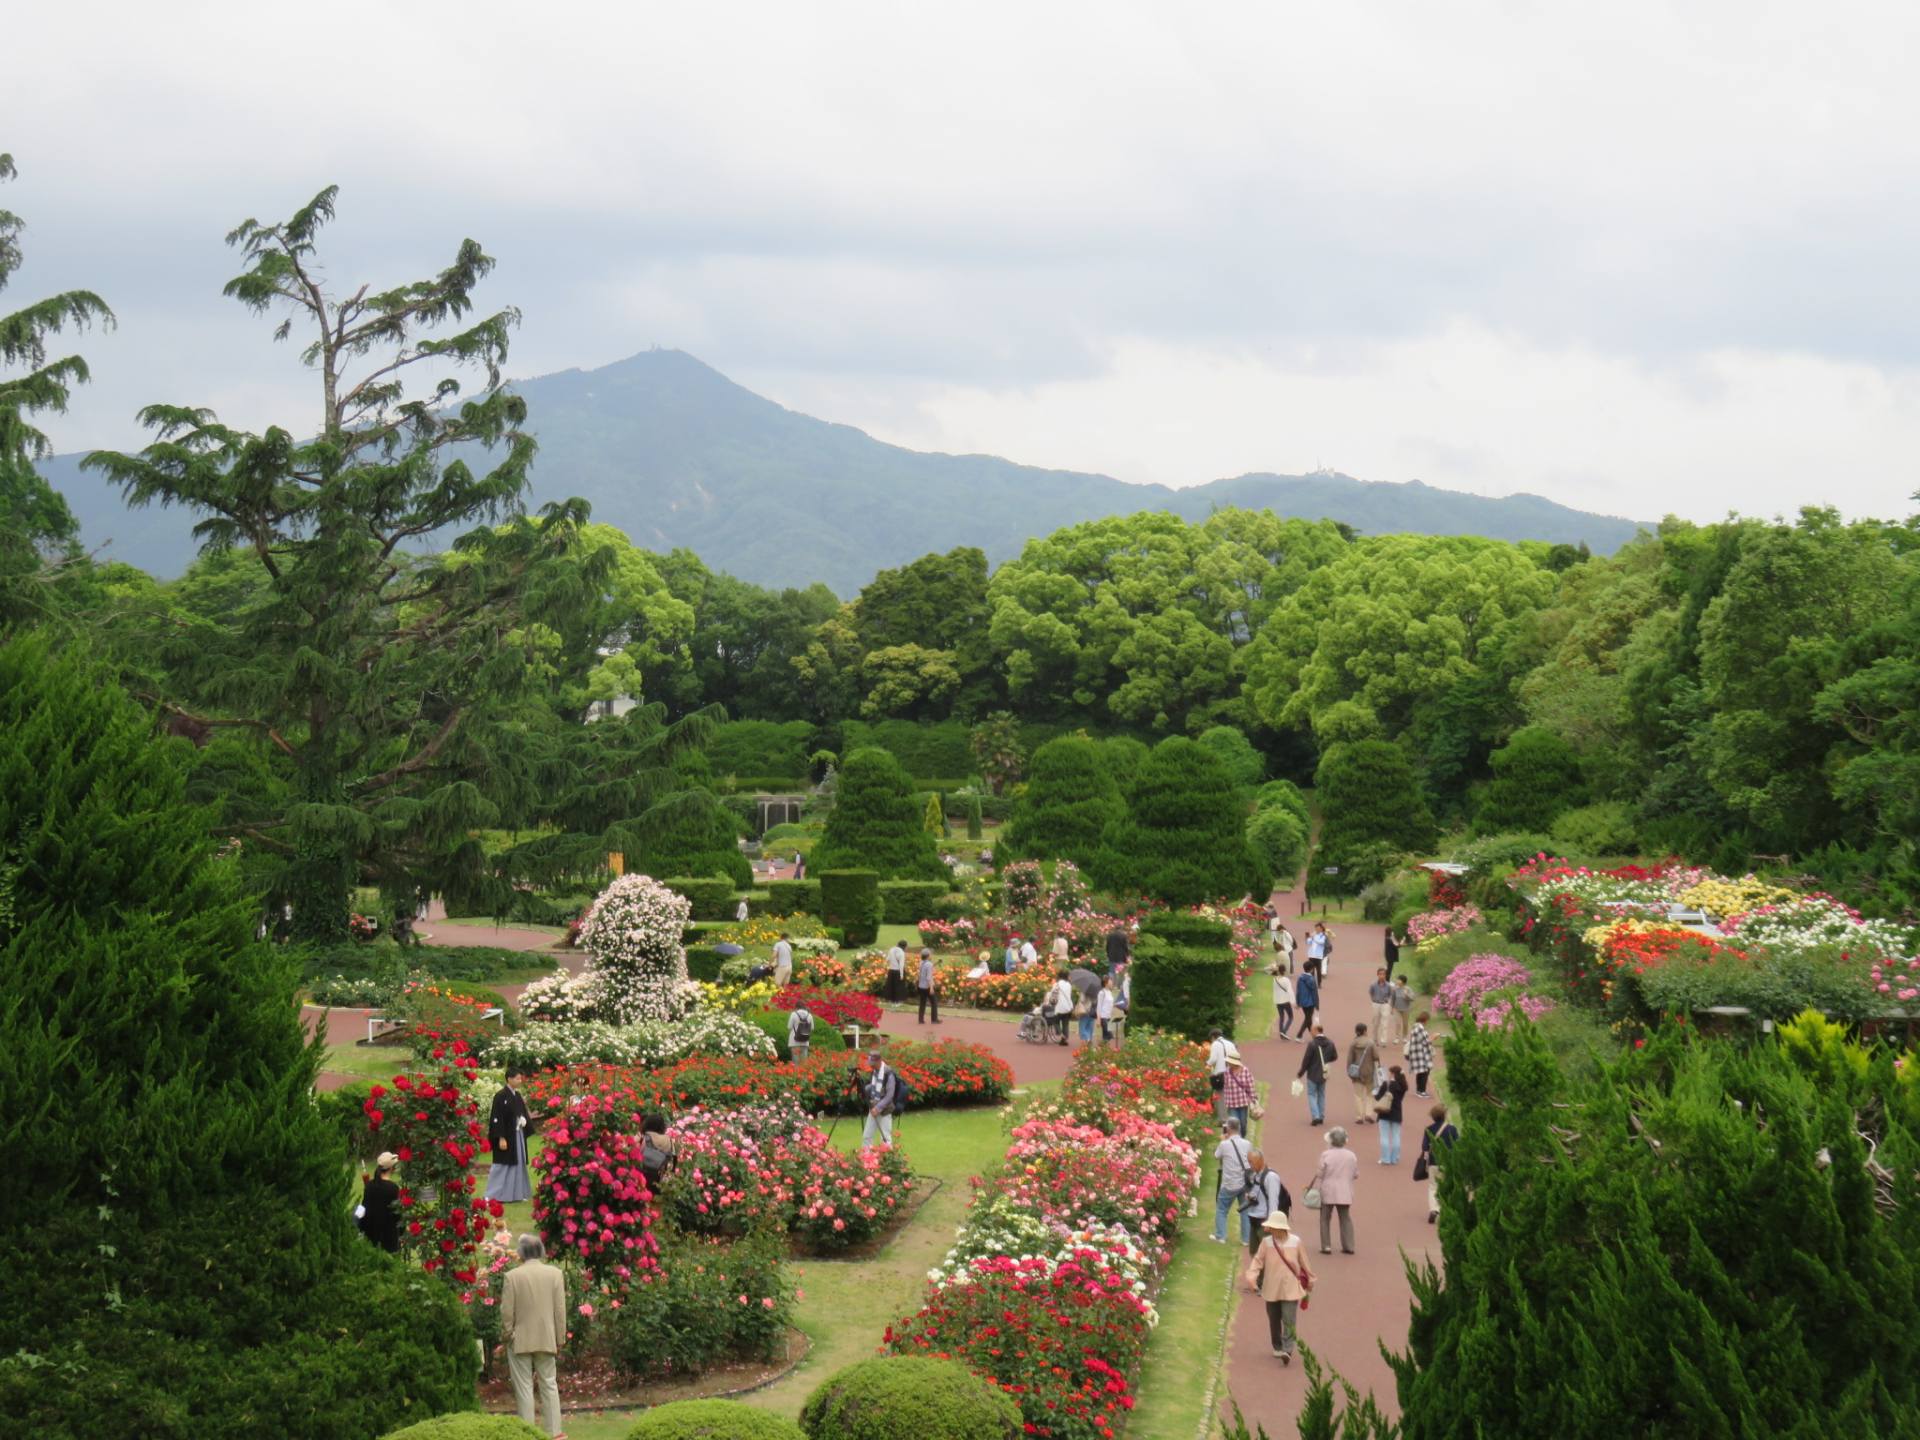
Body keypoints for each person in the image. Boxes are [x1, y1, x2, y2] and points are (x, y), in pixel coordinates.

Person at [500, 1232, 567, 1436]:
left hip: (519, 1339)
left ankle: (528, 1434)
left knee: (524, 1389)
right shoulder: (555, 1274)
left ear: (521, 1253)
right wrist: (560, 1338)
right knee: (549, 1385)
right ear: (541, 1251)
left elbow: (506, 1312)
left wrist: (507, 1336)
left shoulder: (512, 1277)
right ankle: (555, 1434)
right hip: (547, 1338)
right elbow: (560, 1310)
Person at [1244, 1211, 1314, 1364]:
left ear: (1282, 1228)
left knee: (1289, 1319)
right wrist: (1252, 1276)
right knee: (1273, 1318)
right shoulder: (1266, 1242)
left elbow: (1304, 1263)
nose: (1272, 1230)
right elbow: (1258, 1261)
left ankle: (1287, 1349)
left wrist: (1310, 1280)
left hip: (1291, 1288)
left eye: (1274, 1227)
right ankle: (1277, 1345)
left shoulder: (1296, 1242)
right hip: (1271, 1287)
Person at [486, 1068, 537, 1203]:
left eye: (520, 1079)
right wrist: (501, 1137)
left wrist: (523, 1120)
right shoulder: (500, 1096)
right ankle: (493, 1194)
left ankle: (516, 1194)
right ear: (509, 1079)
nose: (520, 1081)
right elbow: (497, 1117)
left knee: (518, 1163)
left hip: (517, 1135)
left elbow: (521, 1112)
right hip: (506, 1135)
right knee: (502, 1164)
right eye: (517, 1078)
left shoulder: (517, 1095)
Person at [1307, 1127, 1359, 1255]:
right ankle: (1349, 1245)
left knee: (1324, 1218)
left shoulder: (1326, 1154)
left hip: (1328, 1189)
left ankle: (1326, 1245)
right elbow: (1356, 1174)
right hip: (1345, 1190)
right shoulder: (1351, 1155)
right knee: (1345, 1217)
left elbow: (1319, 1173)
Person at [1238, 1147, 1291, 1258]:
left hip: (1264, 1222)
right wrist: (1250, 1197)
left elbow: (1273, 1201)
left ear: (1259, 1160)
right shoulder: (1256, 1175)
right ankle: (1258, 1275)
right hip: (1254, 1219)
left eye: (1251, 1162)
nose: (1250, 1165)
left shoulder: (1271, 1177)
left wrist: (1271, 1223)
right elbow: (1257, 1192)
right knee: (1255, 1254)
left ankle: (1266, 1275)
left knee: (1266, 1256)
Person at [1212, 1118, 1253, 1245]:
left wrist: (1222, 1140)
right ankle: (1246, 1239)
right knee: (1245, 1210)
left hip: (1230, 1183)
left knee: (1222, 1208)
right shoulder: (1247, 1143)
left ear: (1228, 1128)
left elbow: (1216, 1156)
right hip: (1245, 1183)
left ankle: (1221, 1235)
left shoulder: (1224, 1144)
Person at [1419, 1102, 1459, 1223]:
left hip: (1433, 1162)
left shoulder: (1428, 1129)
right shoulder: (1452, 1129)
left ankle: (1434, 1210)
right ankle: (1445, 1209)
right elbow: (1457, 1145)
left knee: (1433, 1187)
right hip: (1448, 1162)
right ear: (1445, 1115)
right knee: (1447, 1185)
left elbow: (1424, 1147)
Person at [357, 1151, 401, 1253]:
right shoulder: (393, 1188)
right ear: (391, 1168)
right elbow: (397, 1214)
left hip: (371, 1233)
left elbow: (363, 1208)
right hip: (389, 1236)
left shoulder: (370, 1186)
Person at [1296, 1023, 1337, 1126]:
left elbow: (1306, 1060)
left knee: (1311, 1094)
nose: (1310, 1032)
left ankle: (1316, 1116)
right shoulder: (1330, 1043)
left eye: (1311, 1030)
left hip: (1313, 1073)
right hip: (1324, 1073)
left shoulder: (1312, 1044)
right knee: (1321, 1094)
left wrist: (1301, 1072)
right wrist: (1326, 1060)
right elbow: (1335, 1056)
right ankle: (1321, 1116)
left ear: (1316, 1031)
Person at [862, 1057, 903, 1148]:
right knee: (866, 1136)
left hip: (885, 1110)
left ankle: (888, 1160)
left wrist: (878, 1108)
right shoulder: (874, 1072)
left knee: (885, 1139)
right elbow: (873, 1088)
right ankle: (867, 1160)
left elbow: (889, 1095)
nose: (870, 1065)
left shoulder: (889, 1074)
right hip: (873, 1108)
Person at [1346, 1023, 1381, 1124]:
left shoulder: (1353, 1043)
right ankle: (1368, 1114)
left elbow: (1349, 1059)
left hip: (1356, 1073)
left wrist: (1349, 1072)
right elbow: (1376, 1056)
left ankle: (1359, 1116)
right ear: (1365, 1031)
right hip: (1369, 1072)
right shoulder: (1370, 1043)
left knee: (1358, 1095)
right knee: (1370, 1094)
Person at [1376, 1063, 1409, 1164]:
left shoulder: (1387, 1084)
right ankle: (1394, 1158)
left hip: (1384, 1112)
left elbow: (1377, 1097)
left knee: (1384, 1136)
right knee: (1396, 1136)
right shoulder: (1403, 1086)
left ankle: (1385, 1158)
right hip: (1397, 1113)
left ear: (1393, 1074)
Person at [1222, 1053, 1257, 1138]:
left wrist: (1253, 1098)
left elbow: (1250, 1085)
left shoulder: (1245, 1070)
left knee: (1243, 1124)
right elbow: (1225, 1087)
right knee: (1235, 1123)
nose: (1229, 1064)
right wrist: (1226, 1102)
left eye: (1230, 1062)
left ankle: (1242, 1137)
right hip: (1232, 1103)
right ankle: (1237, 1141)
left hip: (1243, 1102)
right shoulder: (1226, 1072)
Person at [1406, 1011, 1437, 1096]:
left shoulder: (1416, 1027)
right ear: (1425, 1019)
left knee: (1420, 1072)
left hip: (1417, 1053)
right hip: (1421, 1054)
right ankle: (1422, 1091)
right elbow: (1426, 1042)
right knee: (1425, 1072)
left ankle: (1419, 1090)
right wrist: (1433, 1037)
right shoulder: (1420, 1028)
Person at [1069, 965, 1101, 1044]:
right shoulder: (1096, 992)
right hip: (1093, 1011)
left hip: (1085, 1010)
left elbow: (1082, 1000)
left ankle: (1087, 1039)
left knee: (1082, 1027)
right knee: (1090, 1027)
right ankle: (1089, 1038)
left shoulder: (1084, 991)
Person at [1047, 969, 1076, 1046]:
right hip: (1068, 1007)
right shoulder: (1069, 985)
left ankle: (1060, 1033)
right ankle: (1064, 1040)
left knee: (1055, 1021)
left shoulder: (1056, 984)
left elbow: (1052, 995)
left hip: (1059, 1007)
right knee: (1065, 1024)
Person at [1292, 962, 1320, 1038]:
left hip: (1303, 1002)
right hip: (1310, 1003)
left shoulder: (1300, 978)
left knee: (1308, 1019)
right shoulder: (1312, 979)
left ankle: (1314, 1036)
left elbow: (1298, 991)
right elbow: (1314, 993)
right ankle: (1299, 1035)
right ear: (1311, 969)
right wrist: (1317, 1004)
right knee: (1308, 1019)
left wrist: (1298, 1002)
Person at [1368, 967, 1395, 1046]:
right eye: (1380, 974)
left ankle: (1383, 1040)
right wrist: (1373, 999)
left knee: (1385, 1023)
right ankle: (1374, 1039)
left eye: (1383, 974)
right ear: (1377, 975)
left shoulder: (1388, 985)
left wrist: (1387, 1001)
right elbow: (1370, 992)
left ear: (1385, 975)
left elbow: (1391, 994)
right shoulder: (1373, 985)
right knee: (1375, 1023)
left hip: (1385, 1004)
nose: (1382, 976)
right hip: (1376, 1004)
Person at [916, 946, 941, 1025]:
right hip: (927, 986)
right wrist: (931, 988)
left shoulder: (921, 962)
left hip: (921, 986)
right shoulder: (929, 964)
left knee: (922, 1003)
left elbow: (927, 968)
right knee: (934, 1003)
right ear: (928, 955)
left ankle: (921, 1019)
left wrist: (936, 963)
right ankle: (934, 1019)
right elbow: (929, 977)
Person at [1389, 974, 1415, 1045]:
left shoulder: (1408, 989)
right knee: (1398, 1023)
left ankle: (1404, 1037)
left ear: (1403, 981)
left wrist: (1406, 995)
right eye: (1397, 979)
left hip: (1406, 1009)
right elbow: (1393, 999)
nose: (1397, 981)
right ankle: (1397, 1037)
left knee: (1405, 1024)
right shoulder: (1395, 989)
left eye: (1399, 979)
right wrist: (1392, 1008)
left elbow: (1412, 998)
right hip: (1397, 1009)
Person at [1271, 967, 1296, 1040]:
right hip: (1285, 1000)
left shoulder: (1275, 979)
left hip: (1278, 1001)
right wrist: (1293, 1001)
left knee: (1281, 1016)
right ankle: (1284, 1031)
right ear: (1284, 971)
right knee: (1290, 1017)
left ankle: (1281, 1032)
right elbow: (1290, 991)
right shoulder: (1286, 980)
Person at [1096, 972, 1118, 1045]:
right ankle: (1101, 1046)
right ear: (1106, 982)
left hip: (1108, 1016)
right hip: (1103, 1016)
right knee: (1109, 1034)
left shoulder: (1109, 992)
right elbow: (1099, 1006)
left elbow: (1109, 1003)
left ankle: (1102, 1049)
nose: (1112, 982)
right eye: (1110, 981)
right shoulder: (1102, 993)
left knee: (1105, 1036)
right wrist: (1098, 1019)